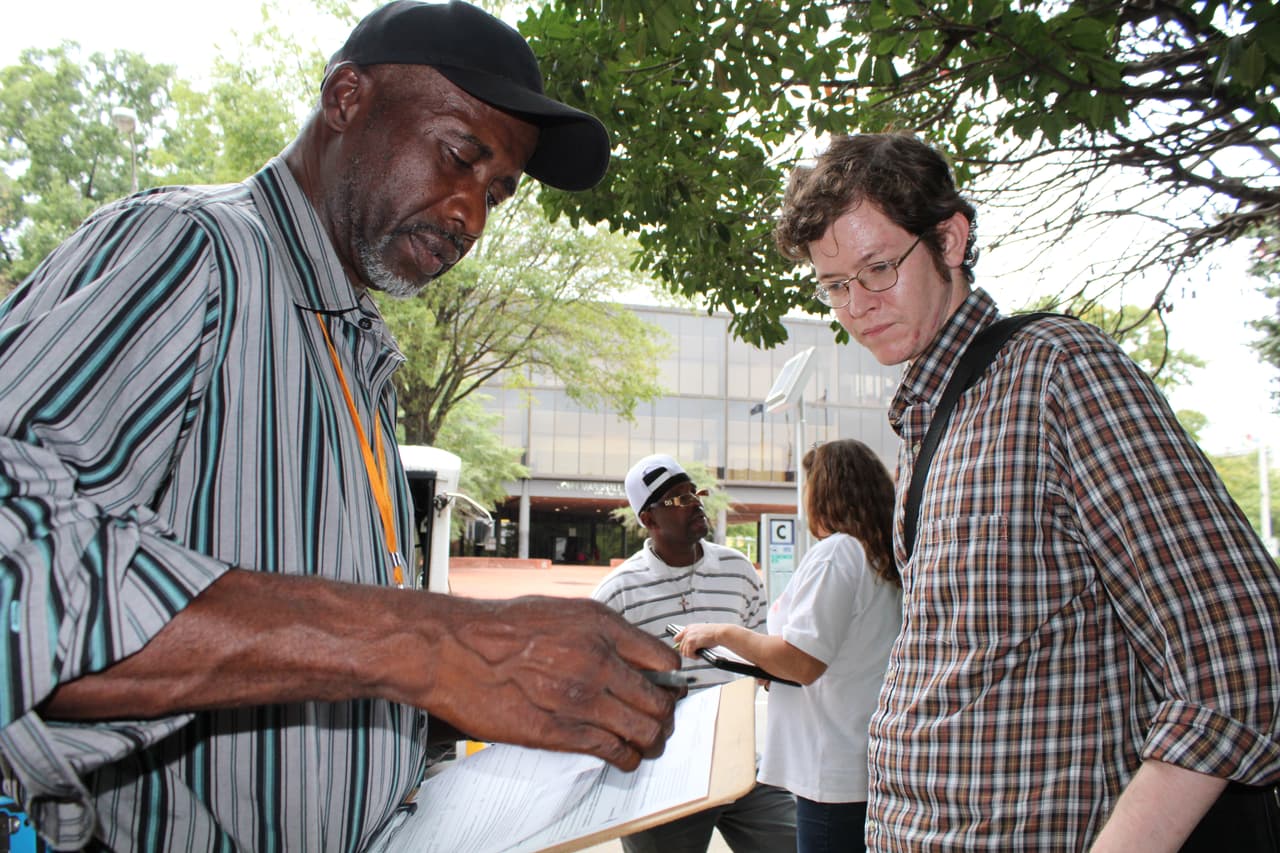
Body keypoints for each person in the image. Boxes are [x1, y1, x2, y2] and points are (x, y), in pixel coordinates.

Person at [0, 3, 682, 850]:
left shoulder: (354, 349)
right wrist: (436, 643)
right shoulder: (193, 250)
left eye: (497, 191)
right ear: (348, 98)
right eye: (459, 154)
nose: (471, 214)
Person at [772, 131, 1280, 852]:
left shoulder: (1060, 373)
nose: (857, 305)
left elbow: (1240, 655)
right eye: (834, 285)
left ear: (949, 239)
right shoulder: (934, 416)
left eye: (878, 267)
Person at [675, 440, 901, 853]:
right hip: (858, 760)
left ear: (828, 491)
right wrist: (768, 665)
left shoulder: (837, 553)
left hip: (830, 768)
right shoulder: (878, 555)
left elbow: (802, 662)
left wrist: (723, 633)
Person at [593, 453, 797, 853]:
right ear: (648, 519)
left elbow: (763, 660)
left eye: (694, 493)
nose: (695, 504)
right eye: (677, 499)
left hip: (738, 762)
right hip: (658, 778)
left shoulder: (738, 572)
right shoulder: (617, 593)